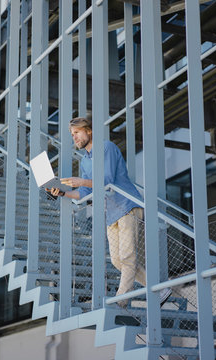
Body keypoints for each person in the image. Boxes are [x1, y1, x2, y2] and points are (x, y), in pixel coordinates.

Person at [47, 116, 171, 308]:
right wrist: (62, 192)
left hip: (128, 204)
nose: (75, 138)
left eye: (77, 133)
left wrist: (81, 181)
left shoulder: (106, 147)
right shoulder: (84, 161)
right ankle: (160, 290)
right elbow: (85, 192)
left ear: (89, 131)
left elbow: (107, 180)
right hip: (111, 211)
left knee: (128, 257)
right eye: (72, 135)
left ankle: (119, 302)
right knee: (116, 260)